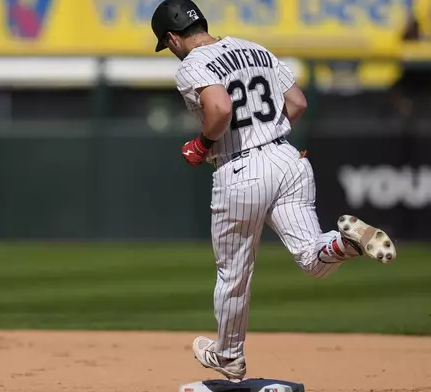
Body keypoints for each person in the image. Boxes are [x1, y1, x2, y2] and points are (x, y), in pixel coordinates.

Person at [150, 0, 398, 381]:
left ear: (171, 37)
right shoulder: (255, 48)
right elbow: (297, 102)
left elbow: (218, 107)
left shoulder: (192, 64)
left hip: (240, 168)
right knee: (313, 259)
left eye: (168, 45)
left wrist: (200, 146)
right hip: (288, 159)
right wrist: (270, 139)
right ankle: (347, 242)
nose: (172, 52)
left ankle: (229, 357)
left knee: (234, 274)